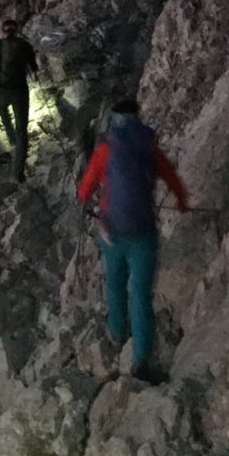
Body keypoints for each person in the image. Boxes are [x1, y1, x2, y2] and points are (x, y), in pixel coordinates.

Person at [77, 98, 188, 383]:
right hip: (143, 234)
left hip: (112, 231)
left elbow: (84, 190)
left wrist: (90, 204)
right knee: (140, 294)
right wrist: (182, 202)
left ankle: (116, 331)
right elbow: (172, 179)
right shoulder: (149, 148)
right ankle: (141, 359)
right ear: (137, 118)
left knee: (114, 280)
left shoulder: (105, 151)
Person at [0, 18, 38, 180]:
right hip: (20, 92)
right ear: (17, 29)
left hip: (2, 91)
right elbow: (34, 67)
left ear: (3, 31)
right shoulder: (25, 45)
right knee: (22, 131)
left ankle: (11, 138)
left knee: (4, 115)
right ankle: (17, 173)